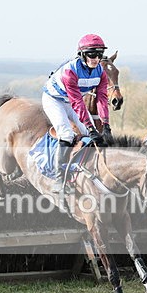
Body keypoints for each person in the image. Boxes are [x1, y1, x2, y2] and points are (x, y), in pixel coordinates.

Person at [42, 34, 110, 192]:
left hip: (72, 101)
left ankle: (88, 170)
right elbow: (77, 102)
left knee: (93, 134)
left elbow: (102, 99)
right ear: (82, 54)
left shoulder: (101, 73)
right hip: (55, 100)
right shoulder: (70, 71)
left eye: (99, 54)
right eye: (92, 54)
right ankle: (59, 178)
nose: (96, 58)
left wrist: (105, 124)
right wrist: (91, 128)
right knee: (66, 134)